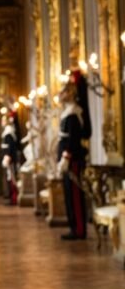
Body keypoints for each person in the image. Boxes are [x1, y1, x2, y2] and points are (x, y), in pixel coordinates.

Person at [57, 71, 91, 240]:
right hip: (68, 160)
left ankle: (79, 229)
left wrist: (66, 157)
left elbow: (73, 139)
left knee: (76, 195)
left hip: (73, 161)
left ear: (70, 94)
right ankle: (73, 227)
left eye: (63, 91)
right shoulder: (67, 113)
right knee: (69, 194)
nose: (60, 95)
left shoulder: (72, 114)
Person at [0, 113, 20, 205]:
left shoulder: (8, 133)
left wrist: (7, 157)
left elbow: (10, 147)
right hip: (8, 159)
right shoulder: (7, 132)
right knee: (10, 179)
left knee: (12, 179)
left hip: (10, 160)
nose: (2, 122)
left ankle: (14, 198)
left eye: (3, 120)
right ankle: (12, 198)